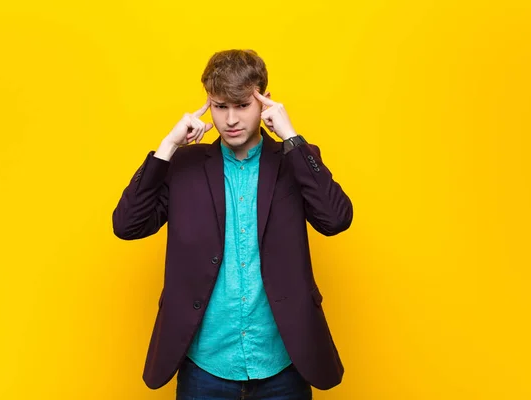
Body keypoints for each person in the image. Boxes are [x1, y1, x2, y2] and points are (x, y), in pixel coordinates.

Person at [112, 49, 353, 400]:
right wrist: (166, 148)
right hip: (206, 366)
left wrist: (293, 139)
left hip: (282, 362)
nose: (230, 119)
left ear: (264, 102)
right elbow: (127, 225)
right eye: (220, 106)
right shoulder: (184, 165)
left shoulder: (294, 160)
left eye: (242, 105)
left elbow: (335, 220)